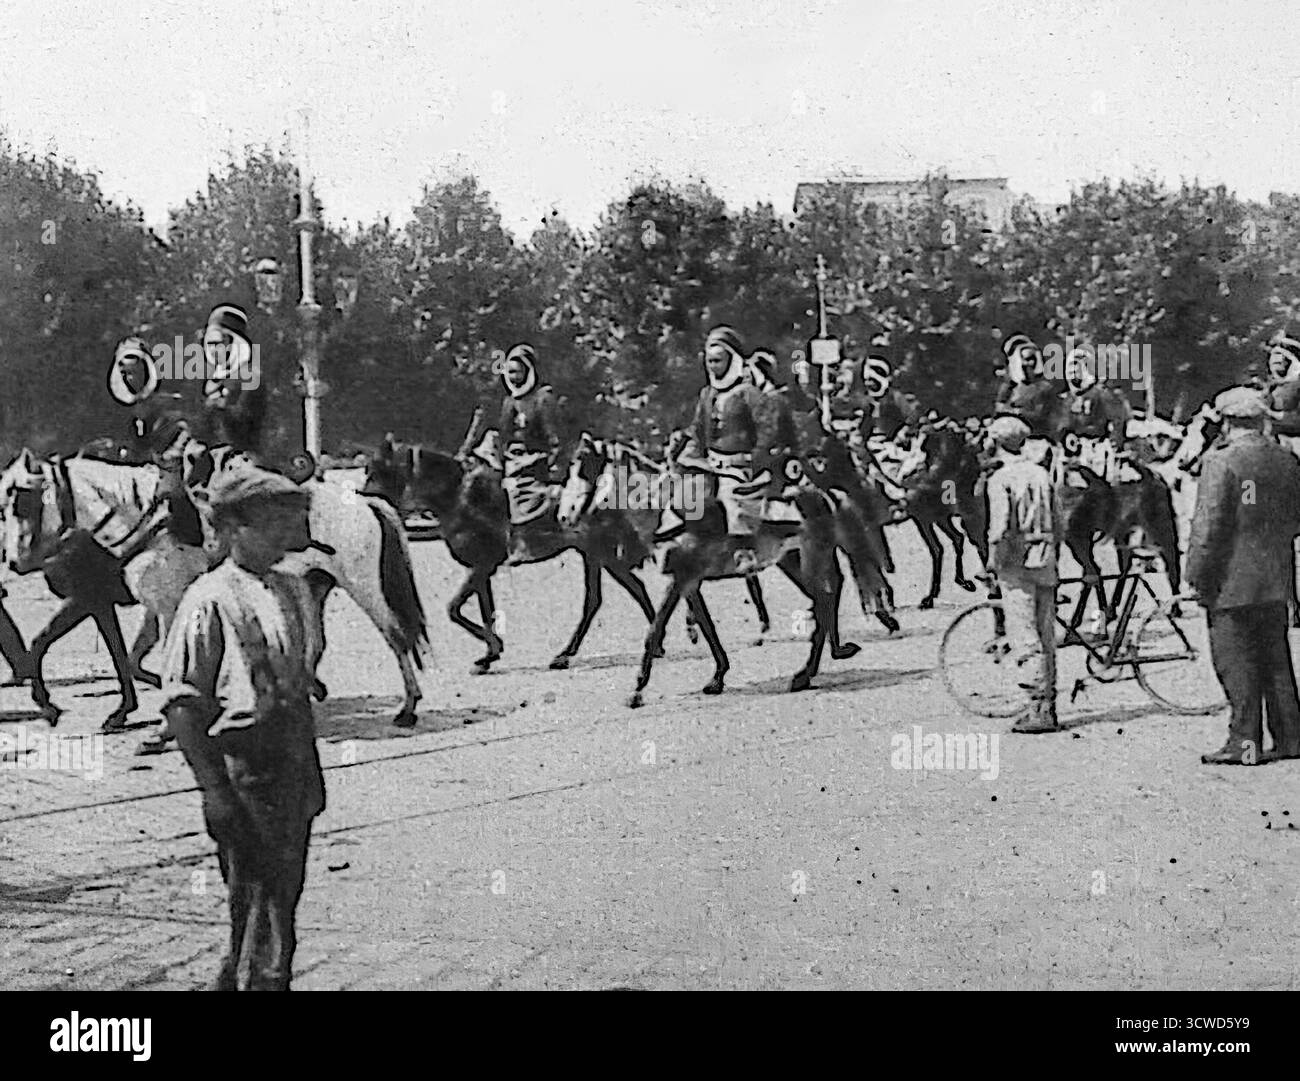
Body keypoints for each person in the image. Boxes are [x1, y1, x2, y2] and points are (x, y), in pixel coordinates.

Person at [160, 465, 324, 989]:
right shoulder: (209, 598)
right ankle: (259, 982)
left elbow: (302, 679)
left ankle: (246, 978)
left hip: (294, 759)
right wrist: (215, 792)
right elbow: (184, 705)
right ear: (232, 529)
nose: (284, 533)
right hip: (245, 767)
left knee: (281, 895)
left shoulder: (297, 590)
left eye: (288, 520)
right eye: (270, 522)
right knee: (257, 893)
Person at [1186, 386, 1300, 765]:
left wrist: (1196, 576)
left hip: (1230, 580)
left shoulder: (1221, 463)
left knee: (1236, 665)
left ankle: (1244, 744)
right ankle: (1291, 739)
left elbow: (1208, 528)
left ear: (1225, 421)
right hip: (1276, 577)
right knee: (1275, 660)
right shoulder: (1285, 460)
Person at [985, 416, 1061, 733]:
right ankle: (1050, 703)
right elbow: (1059, 517)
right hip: (1046, 556)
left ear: (996, 442)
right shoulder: (1041, 473)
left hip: (1017, 560)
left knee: (1024, 632)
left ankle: (1036, 708)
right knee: (1046, 632)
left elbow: (1000, 528)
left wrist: (991, 563)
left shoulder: (1000, 479)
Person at [680, 325, 765, 573]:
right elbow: (697, 429)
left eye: (718, 361)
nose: (713, 367)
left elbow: (766, 428)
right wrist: (685, 450)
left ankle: (744, 551)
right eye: (709, 361)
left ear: (732, 360)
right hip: (708, 463)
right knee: (682, 492)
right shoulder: (707, 394)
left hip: (739, 466)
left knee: (731, 496)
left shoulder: (748, 394)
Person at [497, 343, 561, 526]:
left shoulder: (542, 400)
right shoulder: (509, 402)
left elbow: (554, 440)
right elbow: (505, 437)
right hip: (511, 465)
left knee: (526, 508)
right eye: (510, 372)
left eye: (518, 372)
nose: (513, 377)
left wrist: (551, 470)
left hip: (535, 468)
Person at [201, 304, 267, 462]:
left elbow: (245, 419)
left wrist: (218, 405)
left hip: (241, 458)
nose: (213, 350)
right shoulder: (213, 379)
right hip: (213, 458)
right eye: (209, 343)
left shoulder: (250, 375)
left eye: (218, 343)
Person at [1263, 333, 1300, 458]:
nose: (1276, 359)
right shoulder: (1265, 389)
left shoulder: (1296, 385)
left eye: (1281, 354)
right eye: (1273, 354)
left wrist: (1271, 415)